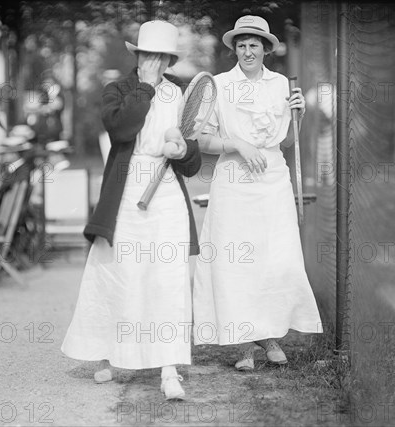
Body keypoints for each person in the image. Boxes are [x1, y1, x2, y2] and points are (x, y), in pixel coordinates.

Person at [61, 20, 201, 400]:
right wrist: (145, 88)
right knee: (116, 272)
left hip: (167, 193)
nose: (153, 61)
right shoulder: (118, 90)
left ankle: (170, 367)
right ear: (137, 55)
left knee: (168, 277)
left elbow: (193, 161)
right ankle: (103, 353)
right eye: (146, 54)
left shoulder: (181, 94)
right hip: (125, 192)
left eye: (161, 56)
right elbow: (122, 129)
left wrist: (182, 150)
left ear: (169, 58)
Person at [192, 15, 323, 370]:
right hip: (234, 181)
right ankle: (246, 346)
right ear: (234, 48)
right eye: (242, 45)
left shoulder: (281, 83)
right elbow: (203, 140)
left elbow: (289, 141)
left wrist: (301, 114)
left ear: (266, 49)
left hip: (273, 180)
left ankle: (268, 335)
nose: (248, 51)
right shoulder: (219, 85)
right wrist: (237, 145)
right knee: (236, 262)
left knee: (274, 259)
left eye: (254, 45)